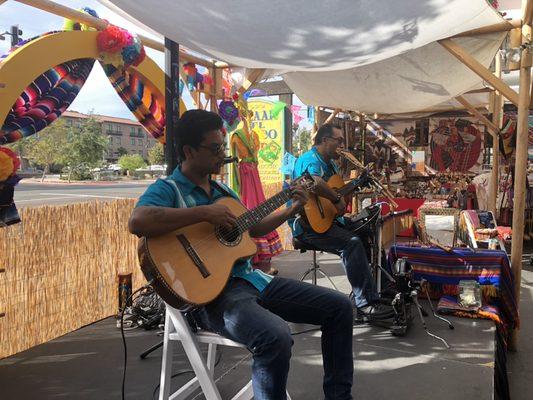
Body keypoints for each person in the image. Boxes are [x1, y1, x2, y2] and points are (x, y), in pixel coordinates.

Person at [128, 110, 354, 400]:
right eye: (215, 148)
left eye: (222, 146)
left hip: (251, 281)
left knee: (340, 308)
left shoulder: (222, 189)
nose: (222, 154)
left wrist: (291, 209)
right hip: (212, 297)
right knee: (275, 336)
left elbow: (253, 227)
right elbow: (138, 221)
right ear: (188, 151)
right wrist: (204, 213)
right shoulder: (168, 189)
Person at [291, 123, 393, 321]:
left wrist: (356, 184)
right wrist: (337, 199)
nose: (341, 145)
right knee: (351, 243)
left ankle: (382, 290)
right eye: (338, 141)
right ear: (324, 140)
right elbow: (314, 182)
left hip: (328, 222)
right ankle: (365, 305)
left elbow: (335, 195)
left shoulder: (332, 165)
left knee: (367, 231)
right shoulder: (310, 160)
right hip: (307, 226)